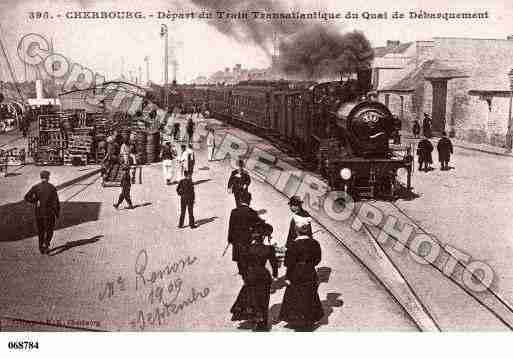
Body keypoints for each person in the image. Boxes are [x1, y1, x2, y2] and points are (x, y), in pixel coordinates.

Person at [230, 221, 279, 331]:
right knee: (264, 299)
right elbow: (274, 264)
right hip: (264, 275)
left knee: (252, 297)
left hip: (251, 274)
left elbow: (242, 263)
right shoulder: (269, 249)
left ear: (253, 237)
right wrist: (275, 275)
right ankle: (263, 323)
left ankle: (254, 317)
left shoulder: (247, 248)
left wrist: (245, 274)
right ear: (263, 237)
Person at [278, 221, 324, 330]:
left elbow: (289, 263)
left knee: (295, 295)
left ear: (296, 231)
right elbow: (318, 259)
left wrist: (287, 277)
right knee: (309, 294)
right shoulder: (315, 243)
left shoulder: (293, 244)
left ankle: (297, 319)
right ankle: (309, 319)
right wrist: (309, 265)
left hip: (296, 272)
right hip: (309, 271)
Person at [24, 170, 60, 254]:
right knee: (49, 230)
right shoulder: (52, 188)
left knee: (41, 230)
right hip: (49, 213)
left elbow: (26, 197)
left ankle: (41, 247)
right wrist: (57, 213)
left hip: (39, 213)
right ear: (48, 177)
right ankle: (46, 244)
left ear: (41, 177)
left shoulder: (36, 187)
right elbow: (56, 202)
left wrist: (35, 201)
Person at [227, 191, 263, 275]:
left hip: (236, 238)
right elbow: (257, 226)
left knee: (238, 255)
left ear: (240, 200)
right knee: (246, 254)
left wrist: (229, 238)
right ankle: (246, 270)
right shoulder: (252, 213)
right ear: (249, 201)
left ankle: (241, 270)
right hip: (248, 238)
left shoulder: (234, 211)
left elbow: (231, 226)